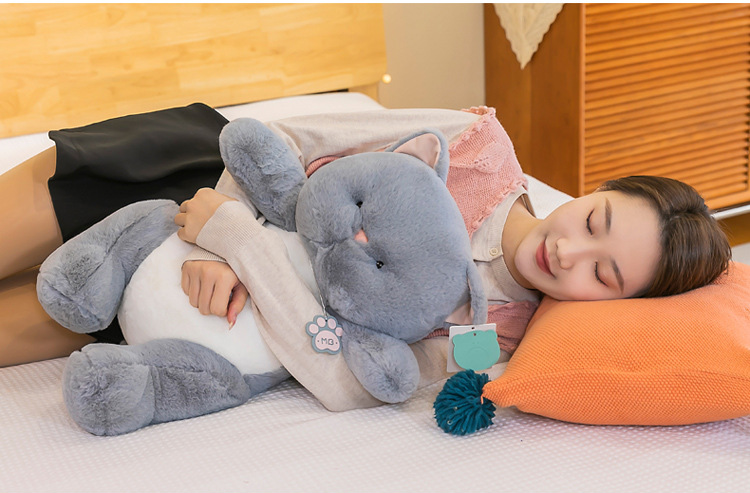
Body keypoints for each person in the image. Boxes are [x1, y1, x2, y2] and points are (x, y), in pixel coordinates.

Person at [0, 104, 732, 371]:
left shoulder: (499, 334)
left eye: (603, 276)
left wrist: (248, 262)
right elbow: (288, 135)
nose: (569, 252)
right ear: (595, 190)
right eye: (594, 221)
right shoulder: (476, 145)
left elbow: (349, 364)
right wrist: (217, 239)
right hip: (201, 173)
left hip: (202, 311)